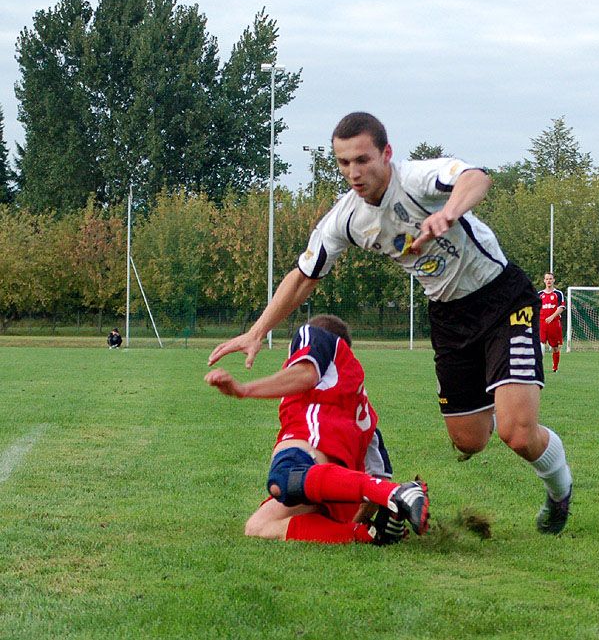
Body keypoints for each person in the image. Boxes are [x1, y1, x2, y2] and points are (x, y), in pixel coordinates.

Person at [208, 112, 573, 534]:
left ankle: (559, 490)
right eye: (344, 163)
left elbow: (477, 178)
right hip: (449, 318)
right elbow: (303, 276)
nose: (354, 172)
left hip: (502, 298)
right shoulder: (345, 219)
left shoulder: (417, 179)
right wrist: (257, 332)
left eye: (363, 159)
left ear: (387, 153)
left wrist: (449, 212)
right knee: (469, 441)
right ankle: (501, 393)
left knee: (517, 433)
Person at [205, 314, 429, 545]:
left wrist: (243, 389)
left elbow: (306, 374)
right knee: (257, 526)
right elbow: (380, 472)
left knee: (283, 476)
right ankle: (371, 534)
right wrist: (360, 524)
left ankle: (397, 493)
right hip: (330, 490)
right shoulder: (362, 411)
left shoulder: (317, 336)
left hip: (311, 464)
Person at [538, 272, 566, 372]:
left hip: (554, 324)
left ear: (553, 280)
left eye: (550, 279)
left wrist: (552, 316)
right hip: (542, 324)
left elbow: (561, 307)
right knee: (540, 344)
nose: (549, 281)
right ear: (544, 281)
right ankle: (538, 368)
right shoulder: (540, 294)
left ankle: (555, 367)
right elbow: (535, 308)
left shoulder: (558, 293)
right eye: (547, 279)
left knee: (555, 348)